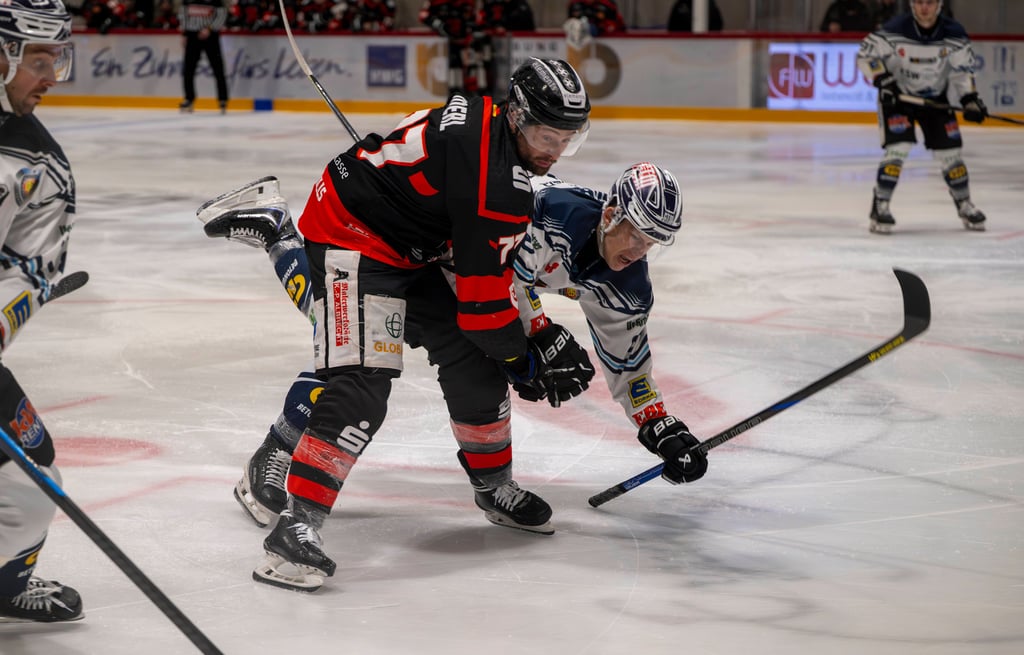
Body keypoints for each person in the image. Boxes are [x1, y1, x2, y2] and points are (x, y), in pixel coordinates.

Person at [199, 161, 709, 577]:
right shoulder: (551, 213)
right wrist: (537, 337)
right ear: (611, 212)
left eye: (653, 241)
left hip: (449, 276)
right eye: (636, 233)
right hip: (405, 240)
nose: (641, 250)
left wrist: (659, 426)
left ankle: (492, 486)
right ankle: (278, 233)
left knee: (480, 372)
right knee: (342, 340)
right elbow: (493, 274)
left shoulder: (627, 282)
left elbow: (630, 366)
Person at [199, 58, 594, 593]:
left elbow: (486, 279)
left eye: (568, 140)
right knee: (362, 379)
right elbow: (481, 306)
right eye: (548, 135)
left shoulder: (488, 124)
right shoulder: (499, 185)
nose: (555, 151)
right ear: (519, 116)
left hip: (407, 244)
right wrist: (523, 361)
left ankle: (493, 486)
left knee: (471, 361)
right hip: (351, 233)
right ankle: (295, 530)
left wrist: (528, 338)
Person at [0, 0, 85, 623]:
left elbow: (28, 271)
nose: (52, 75)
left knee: (32, 478)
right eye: (37, 58)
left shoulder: (41, 165)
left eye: (55, 57)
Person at [857, 0, 987, 233]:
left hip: (935, 100)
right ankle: (881, 205)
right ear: (911, 5)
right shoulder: (893, 30)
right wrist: (882, 79)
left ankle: (964, 203)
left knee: (951, 153)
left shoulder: (954, 34)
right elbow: (866, 55)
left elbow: (962, 71)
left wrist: (969, 99)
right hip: (898, 100)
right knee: (899, 147)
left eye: (929, 2)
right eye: (919, 2)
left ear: (939, 5)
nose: (924, 8)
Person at [178, 0, 228, 113]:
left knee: (218, 68)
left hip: (211, 36)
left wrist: (209, 29)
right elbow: (183, 13)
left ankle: (222, 99)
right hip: (192, 35)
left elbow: (222, 14)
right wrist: (184, 33)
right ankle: (189, 98)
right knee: (188, 69)